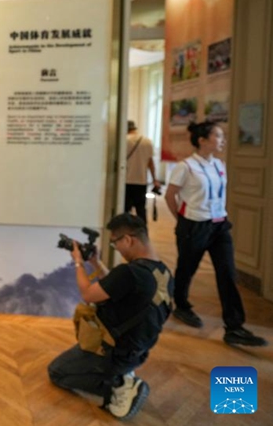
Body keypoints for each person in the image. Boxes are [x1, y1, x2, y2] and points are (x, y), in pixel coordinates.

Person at [48, 214, 173, 420]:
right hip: (137, 351)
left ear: (128, 240)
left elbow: (88, 294)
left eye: (116, 243)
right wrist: (96, 263)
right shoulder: (162, 272)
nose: (118, 249)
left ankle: (118, 385)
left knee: (57, 372)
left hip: (111, 349)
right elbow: (112, 287)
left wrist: (78, 263)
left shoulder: (129, 272)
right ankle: (123, 374)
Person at [164, 121, 268, 346]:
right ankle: (181, 304)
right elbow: (170, 195)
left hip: (220, 226)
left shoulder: (220, 165)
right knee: (186, 269)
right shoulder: (186, 166)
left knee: (228, 273)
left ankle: (234, 327)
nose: (222, 140)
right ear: (202, 140)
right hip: (194, 226)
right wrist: (182, 221)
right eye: (218, 136)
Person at [125, 121, 160, 224]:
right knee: (141, 210)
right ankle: (143, 234)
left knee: (125, 210)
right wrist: (154, 179)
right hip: (141, 181)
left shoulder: (124, 141)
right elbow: (150, 163)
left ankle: (125, 234)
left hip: (126, 181)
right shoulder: (147, 141)